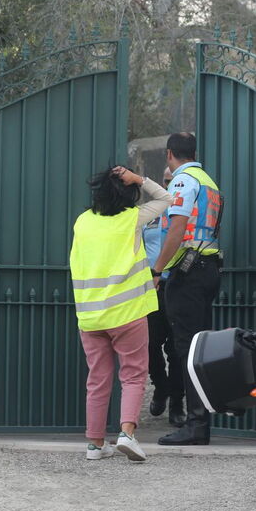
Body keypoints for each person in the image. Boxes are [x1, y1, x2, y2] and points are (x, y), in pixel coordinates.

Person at [69, 165, 174, 461]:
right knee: (133, 375)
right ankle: (127, 434)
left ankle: (95, 444)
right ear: (129, 195)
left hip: (90, 315)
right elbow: (168, 200)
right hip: (127, 313)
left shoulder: (83, 222)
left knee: (98, 378)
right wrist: (140, 178)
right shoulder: (132, 219)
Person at [153, 133, 223, 446]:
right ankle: (198, 421)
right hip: (205, 267)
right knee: (196, 347)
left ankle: (196, 425)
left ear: (170, 154)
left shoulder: (182, 181)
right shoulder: (207, 179)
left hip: (188, 271)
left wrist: (157, 270)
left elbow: (178, 227)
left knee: (186, 348)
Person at [141, 167, 185, 427]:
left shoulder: (184, 210)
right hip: (150, 285)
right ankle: (161, 387)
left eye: (173, 181)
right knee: (149, 343)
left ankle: (178, 402)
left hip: (177, 281)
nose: (170, 186)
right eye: (166, 181)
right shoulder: (152, 213)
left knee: (177, 348)